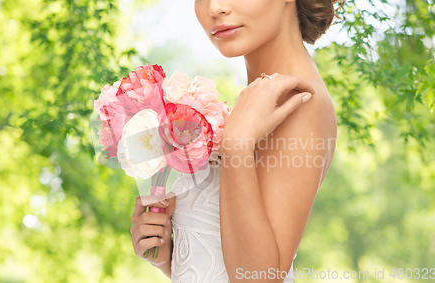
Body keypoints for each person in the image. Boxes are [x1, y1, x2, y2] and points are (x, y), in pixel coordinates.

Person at [130, 0, 342, 282]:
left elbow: (260, 278)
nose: (215, 8)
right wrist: (169, 254)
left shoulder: (299, 101)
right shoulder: (258, 103)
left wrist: (236, 145)